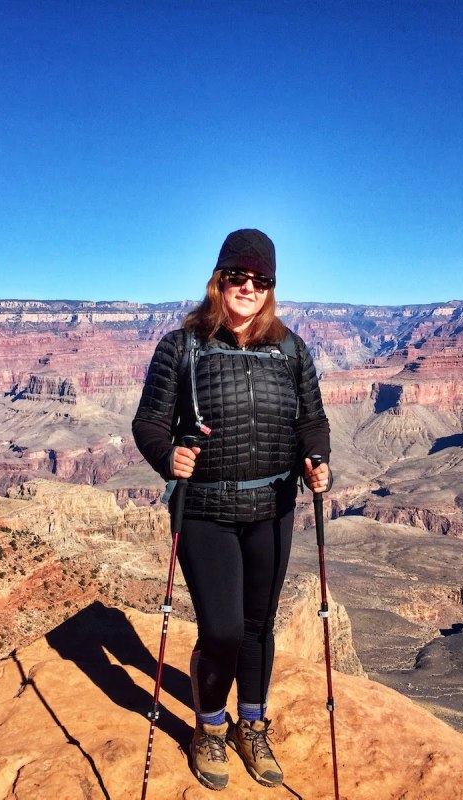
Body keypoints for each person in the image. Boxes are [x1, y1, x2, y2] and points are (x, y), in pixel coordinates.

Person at [132, 228, 331, 791]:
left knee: (257, 627)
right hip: (204, 511)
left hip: (273, 506)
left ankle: (251, 724)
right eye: (237, 277)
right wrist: (167, 456)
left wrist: (318, 458)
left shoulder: (291, 349)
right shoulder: (181, 346)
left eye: (260, 280)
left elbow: (310, 420)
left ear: (271, 287)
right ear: (218, 280)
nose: (248, 288)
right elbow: (147, 422)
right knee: (220, 631)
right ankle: (210, 729)